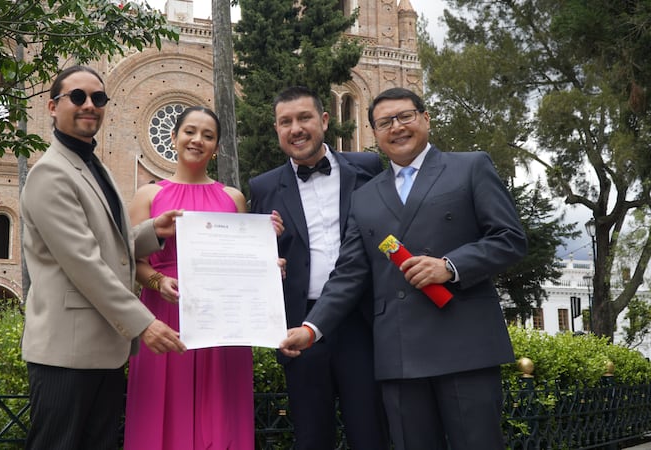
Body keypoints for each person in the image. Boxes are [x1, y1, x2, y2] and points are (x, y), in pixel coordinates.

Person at [280, 87, 528, 450]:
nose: (396, 127)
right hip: (399, 356)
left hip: (464, 345)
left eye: (405, 117)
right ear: (375, 135)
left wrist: (451, 266)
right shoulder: (364, 197)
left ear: (425, 119)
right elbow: (349, 273)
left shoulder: (470, 166)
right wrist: (311, 328)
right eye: (384, 123)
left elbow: (510, 238)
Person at [20, 65, 187, 450]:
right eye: (77, 97)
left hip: (102, 352)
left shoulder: (93, 167)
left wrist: (151, 233)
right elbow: (83, 262)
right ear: (52, 106)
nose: (89, 105)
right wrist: (144, 323)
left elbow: (107, 243)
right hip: (66, 354)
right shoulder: (50, 174)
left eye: (98, 98)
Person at [124, 106, 283, 450]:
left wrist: (268, 266)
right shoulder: (148, 195)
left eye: (208, 136)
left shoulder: (233, 198)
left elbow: (245, 262)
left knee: (221, 415)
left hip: (222, 325)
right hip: (165, 316)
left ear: (217, 147)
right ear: (174, 137)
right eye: (190, 132)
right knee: (163, 413)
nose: (197, 140)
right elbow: (129, 261)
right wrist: (156, 282)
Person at [249, 86, 390, 449]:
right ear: (277, 129)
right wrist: (268, 256)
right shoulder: (263, 187)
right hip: (300, 325)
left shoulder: (369, 168)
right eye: (285, 122)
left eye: (304, 118)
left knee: (370, 432)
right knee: (312, 436)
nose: (295, 128)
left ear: (324, 121)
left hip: (362, 321)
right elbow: (259, 259)